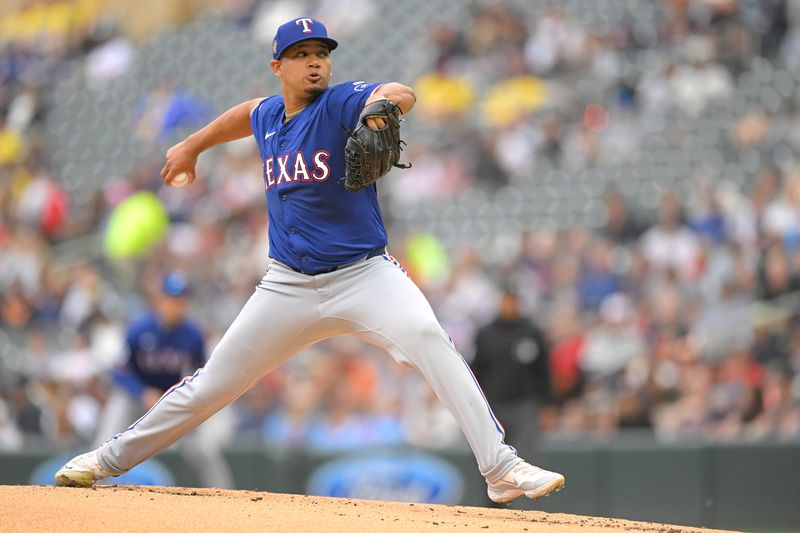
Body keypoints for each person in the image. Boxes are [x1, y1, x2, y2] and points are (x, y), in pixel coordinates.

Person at [55, 17, 564, 503]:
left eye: (321, 53)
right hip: (287, 286)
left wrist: (380, 109)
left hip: (365, 275)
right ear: (278, 66)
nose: (315, 62)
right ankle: (106, 460)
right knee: (211, 385)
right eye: (300, 55)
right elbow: (245, 114)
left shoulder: (340, 103)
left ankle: (500, 469)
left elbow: (399, 92)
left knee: (431, 339)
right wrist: (191, 144)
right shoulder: (269, 116)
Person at [93, 272, 233, 488]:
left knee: (203, 447)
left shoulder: (193, 335)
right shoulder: (139, 328)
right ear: (160, 299)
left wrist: (181, 398)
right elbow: (119, 371)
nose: (174, 305)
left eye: (180, 300)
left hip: (168, 398)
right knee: (107, 435)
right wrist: (142, 392)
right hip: (135, 396)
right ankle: (92, 485)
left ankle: (225, 493)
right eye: (170, 299)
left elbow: (204, 374)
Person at [471, 287, 551, 462]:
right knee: (494, 458)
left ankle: (525, 491)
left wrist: (547, 405)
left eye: (513, 301)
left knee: (527, 457)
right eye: (506, 300)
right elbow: (476, 371)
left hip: (526, 405)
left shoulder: (531, 332)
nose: (509, 305)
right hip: (494, 405)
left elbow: (543, 370)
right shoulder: (486, 334)